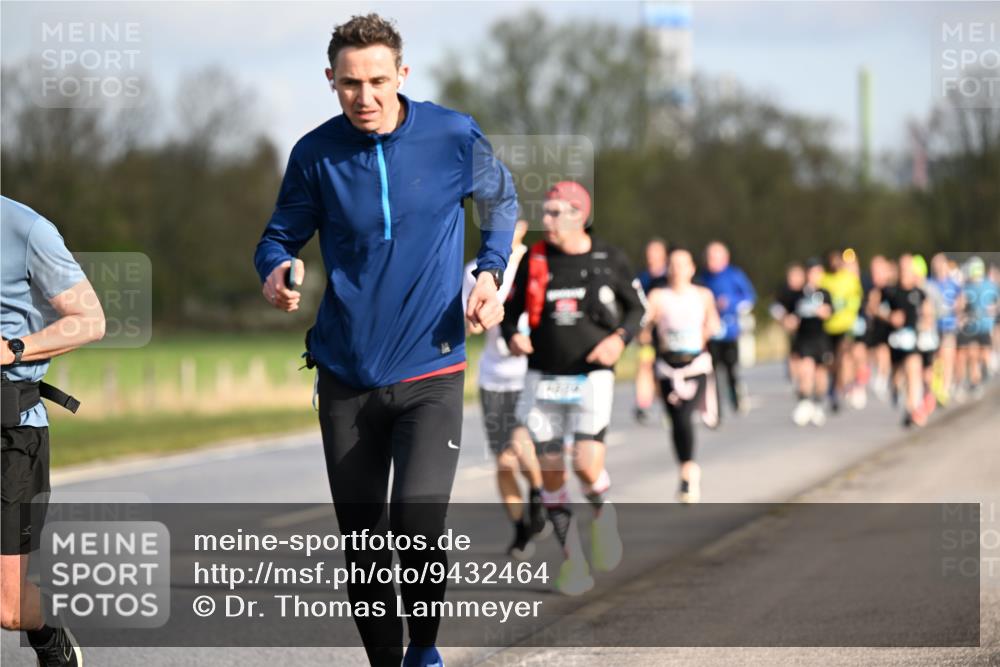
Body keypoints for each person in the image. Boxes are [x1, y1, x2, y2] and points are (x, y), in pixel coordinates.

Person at [253, 14, 517, 667]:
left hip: (432, 369)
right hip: (346, 373)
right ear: (331, 81)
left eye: (376, 81)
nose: (364, 97)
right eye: (349, 84)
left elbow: (502, 205)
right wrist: (276, 271)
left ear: (402, 74)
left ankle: (424, 648)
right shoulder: (315, 154)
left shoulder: (453, 136)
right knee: (365, 541)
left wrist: (490, 271)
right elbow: (276, 237)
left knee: (417, 525)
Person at [502, 181, 646, 596]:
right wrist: (514, 335)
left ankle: (603, 512)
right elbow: (510, 312)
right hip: (542, 377)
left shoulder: (608, 258)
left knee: (585, 463)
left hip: (591, 377)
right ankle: (573, 562)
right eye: (545, 212)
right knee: (550, 475)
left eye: (554, 213)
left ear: (578, 214)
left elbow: (638, 307)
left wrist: (619, 338)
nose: (545, 221)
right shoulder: (536, 258)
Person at [1, 196, 106, 667]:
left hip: (11, 435)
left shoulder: (27, 230)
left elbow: (91, 321)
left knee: (7, 608)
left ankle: (47, 635)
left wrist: (15, 347)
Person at [462, 219, 546, 560]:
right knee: (503, 464)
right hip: (492, 376)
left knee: (519, 442)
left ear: (522, 226)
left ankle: (539, 495)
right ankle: (521, 527)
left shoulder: (537, 264)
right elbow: (465, 326)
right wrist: (472, 322)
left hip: (529, 372)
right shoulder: (473, 271)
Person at [644, 247, 720, 503]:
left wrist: (704, 334)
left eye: (682, 264)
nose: (677, 270)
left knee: (686, 415)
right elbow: (645, 326)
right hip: (667, 367)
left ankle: (688, 472)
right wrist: (646, 331)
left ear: (691, 268)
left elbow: (715, 323)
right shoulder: (657, 296)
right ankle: (686, 469)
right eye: (673, 265)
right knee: (676, 420)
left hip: (695, 365)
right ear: (668, 269)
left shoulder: (703, 295)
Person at [698, 241, 756, 419]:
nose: (712, 261)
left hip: (730, 331)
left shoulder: (734, 275)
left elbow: (750, 297)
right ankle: (716, 408)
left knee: (731, 368)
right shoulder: (703, 278)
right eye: (709, 257)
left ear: (725, 258)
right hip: (711, 333)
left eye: (716, 257)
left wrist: (731, 303)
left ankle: (736, 397)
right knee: (712, 371)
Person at [885, 255, 936, 426]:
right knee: (898, 375)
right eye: (903, 268)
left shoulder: (919, 292)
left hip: (913, 339)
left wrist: (927, 321)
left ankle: (912, 409)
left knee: (913, 369)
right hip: (895, 340)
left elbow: (928, 312)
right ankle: (895, 389)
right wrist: (889, 316)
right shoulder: (891, 291)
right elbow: (874, 307)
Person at [783, 258, 833, 427]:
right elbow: (788, 316)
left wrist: (821, 311)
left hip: (820, 337)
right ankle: (804, 402)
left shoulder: (824, 293)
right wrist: (789, 321)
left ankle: (818, 403)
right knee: (805, 369)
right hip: (804, 338)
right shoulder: (798, 294)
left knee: (820, 373)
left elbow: (829, 312)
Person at [819, 248, 864, 413]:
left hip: (845, 325)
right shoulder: (824, 280)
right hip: (828, 327)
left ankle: (840, 390)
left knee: (843, 357)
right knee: (831, 362)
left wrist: (850, 314)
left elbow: (856, 299)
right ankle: (833, 387)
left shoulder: (850, 279)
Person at [633, 238, 668, 425]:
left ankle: (668, 406)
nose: (651, 257)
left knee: (663, 372)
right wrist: (641, 329)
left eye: (655, 253)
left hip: (667, 334)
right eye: (649, 253)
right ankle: (642, 405)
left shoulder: (669, 277)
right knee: (645, 365)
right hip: (647, 332)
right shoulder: (641, 279)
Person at [955, 256, 998, 400]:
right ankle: (976, 381)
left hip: (985, 326)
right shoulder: (966, 286)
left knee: (984, 354)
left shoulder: (989, 285)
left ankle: (984, 371)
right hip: (972, 326)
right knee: (972, 355)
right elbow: (962, 304)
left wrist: (994, 309)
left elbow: (996, 301)